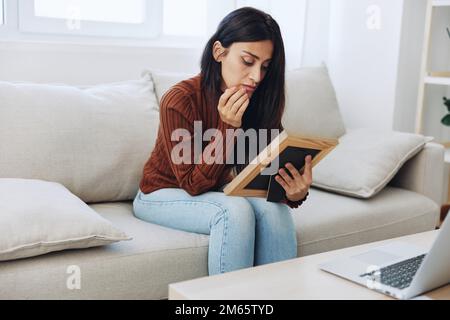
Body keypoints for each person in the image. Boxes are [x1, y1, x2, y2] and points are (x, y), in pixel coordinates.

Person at [133, 7, 311, 275]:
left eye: (265, 67)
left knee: (276, 212)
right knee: (234, 212)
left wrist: (293, 192)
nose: (256, 77)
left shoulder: (260, 99)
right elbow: (193, 184)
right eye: (248, 61)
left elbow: (262, 176)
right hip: (161, 193)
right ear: (219, 52)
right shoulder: (180, 99)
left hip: (221, 191)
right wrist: (228, 126)